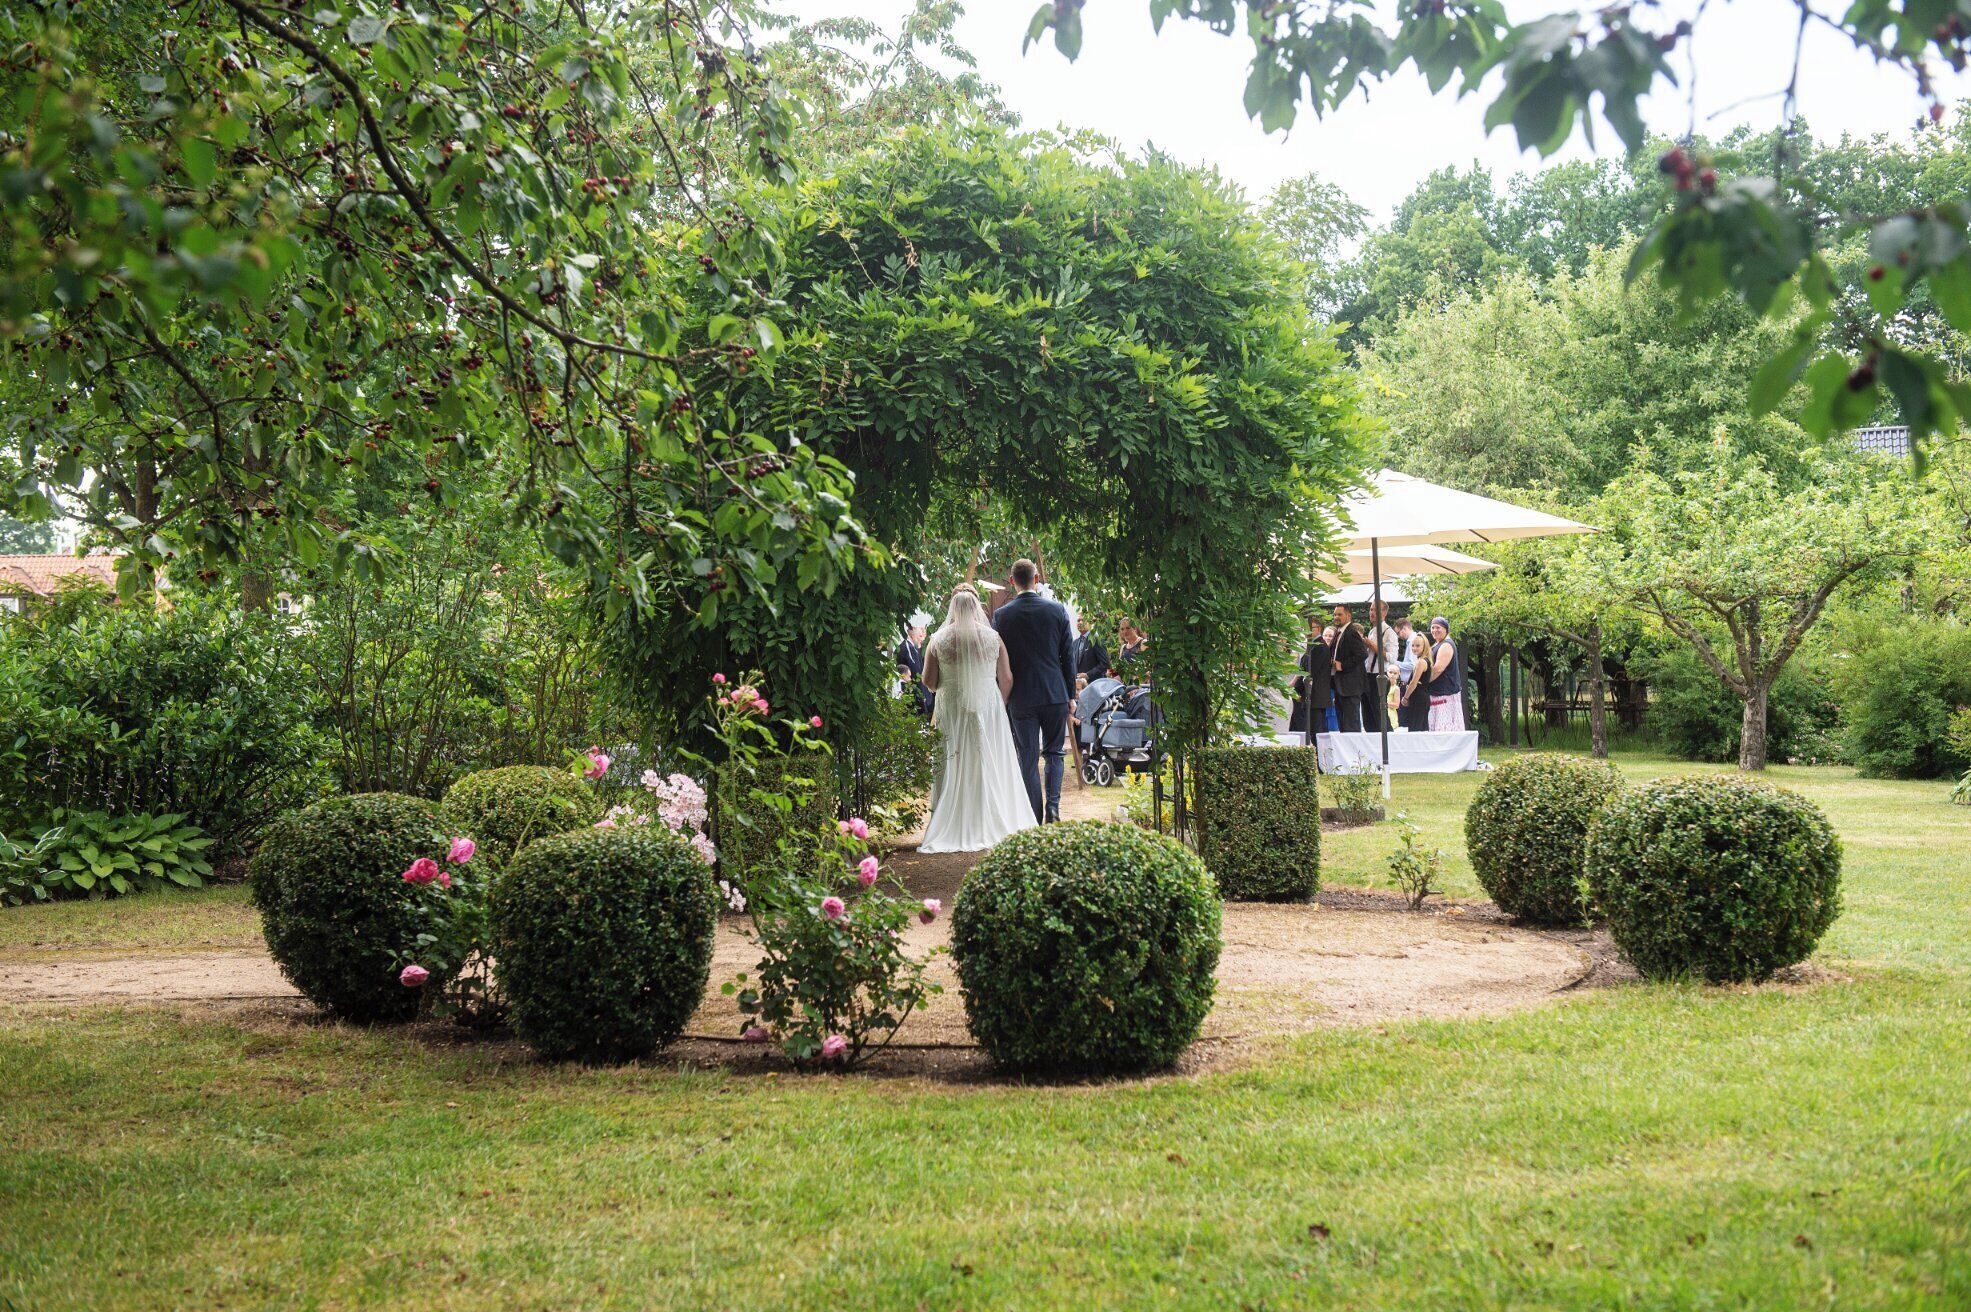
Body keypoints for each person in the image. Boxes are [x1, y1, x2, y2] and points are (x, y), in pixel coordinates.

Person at [916, 589, 1036, 853]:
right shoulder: (993, 638)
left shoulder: (938, 639)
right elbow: (1006, 677)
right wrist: (998, 703)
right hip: (988, 705)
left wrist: (948, 683)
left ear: (953, 610)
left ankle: (952, 818)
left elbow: (928, 680)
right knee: (991, 759)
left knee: (955, 758)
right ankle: (995, 815)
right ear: (976, 609)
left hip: (952, 706)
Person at [992, 559, 1077, 824]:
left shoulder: (1002, 616)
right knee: (1054, 752)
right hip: (1054, 694)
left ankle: (1033, 814)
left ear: (1011, 581)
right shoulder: (1057, 611)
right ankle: (1053, 809)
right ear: (1037, 578)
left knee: (1027, 757)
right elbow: (1068, 656)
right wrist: (1071, 695)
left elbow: (997, 661)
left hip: (1021, 697)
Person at [1289, 617, 1334, 737]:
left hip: (1316, 696)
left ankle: (1318, 754)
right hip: (1311, 695)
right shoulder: (1312, 645)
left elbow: (1310, 671)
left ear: (1318, 629)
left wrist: (1297, 690)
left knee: (1316, 730)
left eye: (1309, 628)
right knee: (1311, 729)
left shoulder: (1320, 646)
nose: (1306, 632)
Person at [1329, 604, 1369, 732]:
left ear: (1348, 615)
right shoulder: (1338, 632)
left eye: (1339, 614)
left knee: (1351, 723)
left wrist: (1343, 665)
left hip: (1350, 687)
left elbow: (1362, 653)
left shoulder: (1351, 632)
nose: (1336, 617)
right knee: (1343, 723)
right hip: (1340, 685)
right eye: (1335, 614)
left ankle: (1354, 751)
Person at [1363, 600, 1402, 733]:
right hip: (1368, 676)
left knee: (1379, 714)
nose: (1372, 613)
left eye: (1375, 610)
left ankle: (1388, 741)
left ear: (1384, 613)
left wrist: (1371, 645)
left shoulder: (1389, 632)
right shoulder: (1372, 631)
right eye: (1371, 610)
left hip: (1379, 677)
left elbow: (1392, 658)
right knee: (1368, 716)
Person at [1425, 615, 1467, 732]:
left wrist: (1423, 682)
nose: (1434, 630)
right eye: (1432, 627)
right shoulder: (1438, 644)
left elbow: (1438, 669)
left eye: (1438, 627)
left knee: (1444, 728)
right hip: (1437, 693)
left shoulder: (1446, 645)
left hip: (1445, 694)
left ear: (1446, 629)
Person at [894, 624, 933, 717]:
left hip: (912, 693)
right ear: (911, 636)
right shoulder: (908, 649)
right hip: (912, 696)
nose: (922, 639)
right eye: (919, 636)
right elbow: (916, 673)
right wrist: (922, 697)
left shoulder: (911, 648)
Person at [1398, 632, 1433, 733]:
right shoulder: (1425, 661)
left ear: (1424, 646)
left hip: (1418, 698)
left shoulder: (1421, 662)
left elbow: (1413, 682)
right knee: (1421, 728)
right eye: (1412, 645)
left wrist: (1405, 697)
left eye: (1418, 646)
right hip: (1422, 697)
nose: (1414, 648)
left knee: (1415, 728)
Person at [1071, 614, 1110, 682]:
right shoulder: (1074, 643)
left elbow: (1105, 663)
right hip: (1080, 687)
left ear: (1090, 623)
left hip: (1095, 685)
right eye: (1078, 620)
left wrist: (1088, 675)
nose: (1080, 622)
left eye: (1083, 620)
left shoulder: (1097, 639)